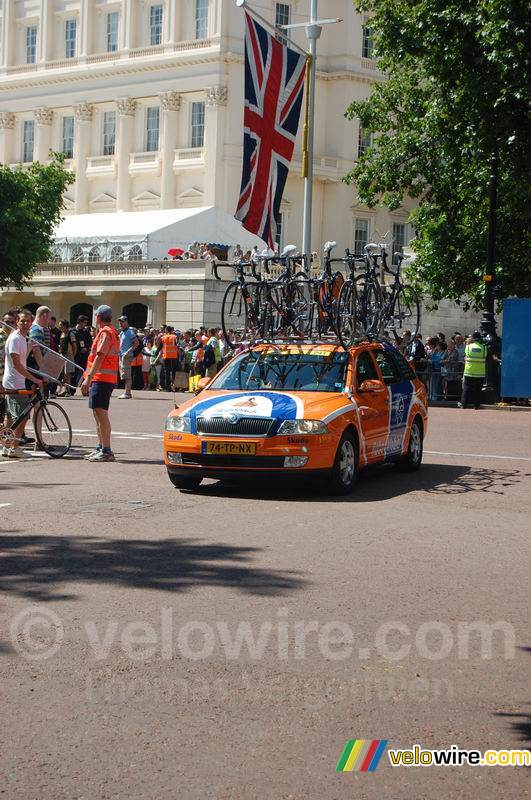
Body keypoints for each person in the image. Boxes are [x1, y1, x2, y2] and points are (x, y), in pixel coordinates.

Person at [1, 309, 43, 458]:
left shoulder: (21, 339)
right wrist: (34, 379)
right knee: (23, 416)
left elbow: (21, 360)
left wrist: (30, 347)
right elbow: (17, 364)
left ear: (31, 323)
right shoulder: (15, 339)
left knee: (11, 417)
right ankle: (14, 448)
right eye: (22, 321)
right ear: (17, 322)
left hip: (15, 380)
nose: (25, 323)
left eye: (28, 321)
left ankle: (6, 446)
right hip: (14, 382)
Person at [81, 305, 120, 461]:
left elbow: (100, 356)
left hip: (101, 378)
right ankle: (101, 447)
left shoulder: (105, 332)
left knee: (101, 414)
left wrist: (88, 378)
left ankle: (106, 450)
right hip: (104, 378)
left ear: (97, 317)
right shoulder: (111, 331)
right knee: (98, 413)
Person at [458, 331, 487, 409]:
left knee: (466, 388)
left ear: (473, 339)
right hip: (480, 373)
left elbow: (466, 356)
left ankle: (463, 404)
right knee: (478, 389)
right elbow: (485, 356)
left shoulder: (468, 347)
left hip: (469, 371)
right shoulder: (484, 348)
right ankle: (476, 405)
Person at [0, 310, 17, 427]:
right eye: (7, 322)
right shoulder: (1, 337)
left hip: (9, 377)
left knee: (9, 408)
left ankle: (12, 433)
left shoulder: (12, 337)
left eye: (12, 322)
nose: (9, 325)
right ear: (2, 322)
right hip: (1, 378)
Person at [118, 315, 139, 399]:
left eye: (122, 321)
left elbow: (136, 343)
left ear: (126, 322)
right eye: (119, 322)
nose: (120, 323)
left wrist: (128, 351)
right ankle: (127, 392)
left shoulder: (129, 332)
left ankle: (127, 393)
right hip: (122, 356)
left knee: (127, 375)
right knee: (124, 375)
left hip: (126, 356)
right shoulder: (122, 332)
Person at [72, 315, 93, 386]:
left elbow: (91, 342)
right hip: (75, 354)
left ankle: (84, 388)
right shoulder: (72, 331)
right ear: (80, 322)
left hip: (84, 355)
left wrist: (86, 348)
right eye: (84, 322)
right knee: (74, 371)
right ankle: (72, 388)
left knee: (85, 372)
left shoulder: (86, 332)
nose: (85, 324)